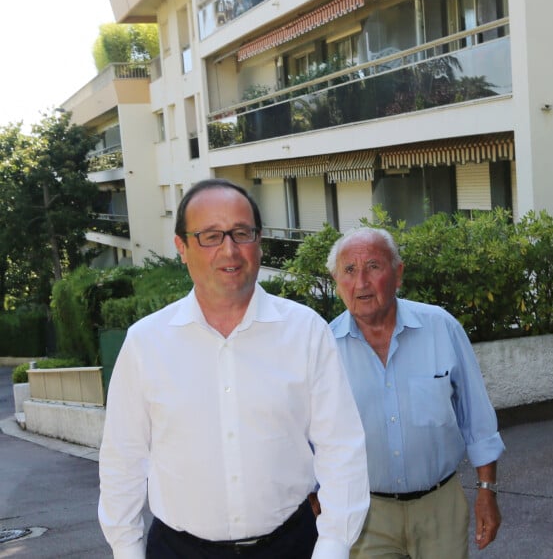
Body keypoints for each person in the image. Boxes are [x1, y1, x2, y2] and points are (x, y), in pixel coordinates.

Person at [98, 178, 370, 559]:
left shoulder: (305, 331)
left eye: (242, 233)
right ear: (182, 247)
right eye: (210, 236)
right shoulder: (146, 343)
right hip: (178, 551)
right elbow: (122, 461)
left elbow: (341, 449)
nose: (230, 250)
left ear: (258, 242)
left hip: (291, 546)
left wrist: (333, 546)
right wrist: (127, 551)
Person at [324, 226, 505, 558]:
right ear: (337, 282)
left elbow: (476, 417)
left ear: (398, 274)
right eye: (349, 270)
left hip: (440, 507)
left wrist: (486, 490)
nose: (361, 282)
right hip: (363, 515)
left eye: (373, 267)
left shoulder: (441, 327)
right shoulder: (324, 347)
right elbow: (309, 438)